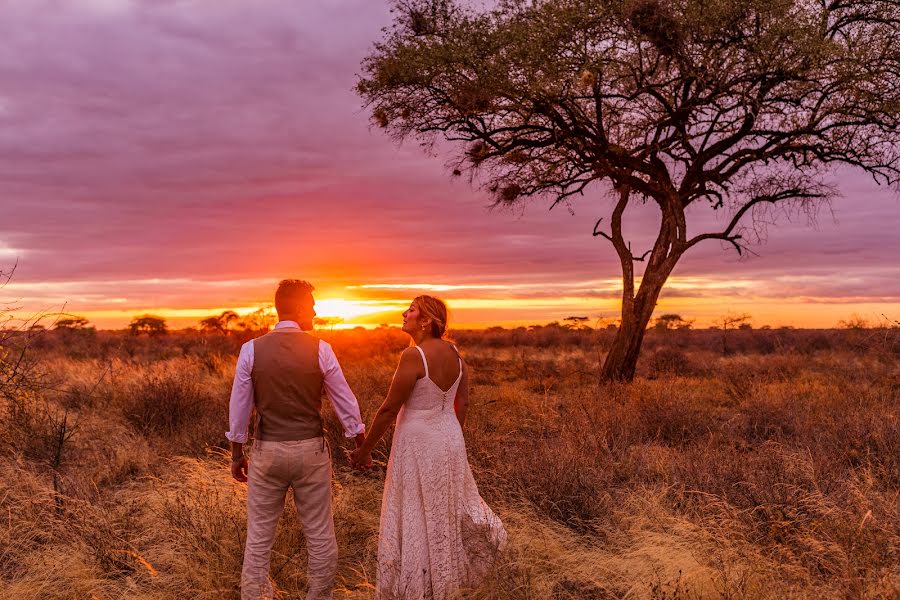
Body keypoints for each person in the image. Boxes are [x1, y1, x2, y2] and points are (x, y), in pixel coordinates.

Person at [351, 295, 506, 599]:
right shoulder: (455, 353)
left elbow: (388, 409)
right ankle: (443, 582)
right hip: (449, 438)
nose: (404, 313)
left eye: (411, 310)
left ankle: (418, 588)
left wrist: (365, 450)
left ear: (426, 321)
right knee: (442, 509)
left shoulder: (414, 355)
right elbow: (464, 402)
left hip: (418, 441)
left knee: (417, 509)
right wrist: (451, 437)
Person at [226, 279, 366, 600]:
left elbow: (239, 409)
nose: (316, 311)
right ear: (300, 307)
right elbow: (345, 402)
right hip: (311, 452)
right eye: (313, 305)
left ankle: (256, 596)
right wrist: (359, 442)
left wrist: (237, 453)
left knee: (259, 536)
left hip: (266, 452)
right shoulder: (321, 349)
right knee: (319, 534)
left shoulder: (251, 349)